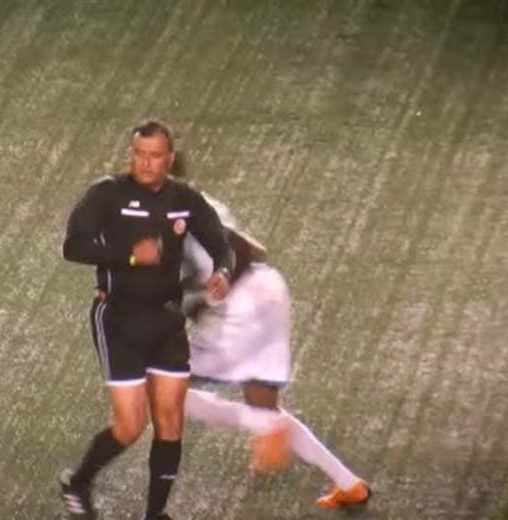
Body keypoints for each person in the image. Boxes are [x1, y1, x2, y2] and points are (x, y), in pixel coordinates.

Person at [60, 121, 234, 520]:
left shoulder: (185, 199)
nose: (145, 162)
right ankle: (78, 481)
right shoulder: (107, 193)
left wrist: (223, 272)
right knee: (130, 425)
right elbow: (72, 246)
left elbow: (220, 245)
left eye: (154, 156)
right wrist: (129, 256)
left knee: (170, 421)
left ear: (169, 159)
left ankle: (155, 514)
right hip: (118, 320)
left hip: (166, 321)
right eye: (139, 153)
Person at [180, 195, 372, 510]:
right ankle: (350, 484)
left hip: (241, 308)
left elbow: (245, 251)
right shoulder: (191, 202)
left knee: (160, 385)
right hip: (267, 290)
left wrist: (207, 296)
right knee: (264, 406)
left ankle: (264, 425)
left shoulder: (170, 214)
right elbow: (254, 250)